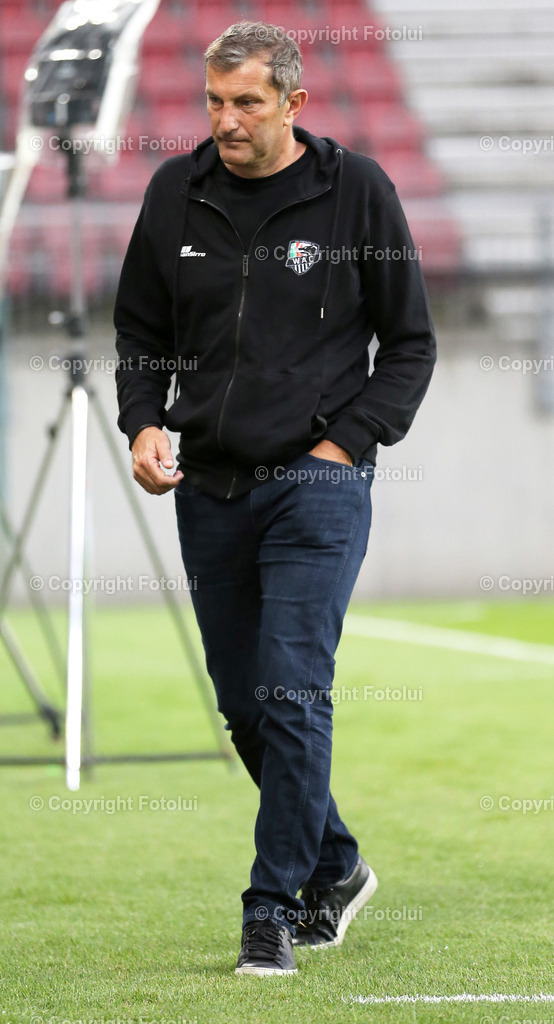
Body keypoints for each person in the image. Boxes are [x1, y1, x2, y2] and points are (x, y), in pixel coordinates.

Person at [114, 21, 436, 976]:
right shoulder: (176, 192)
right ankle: (337, 866)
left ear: (294, 103)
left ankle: (271, 906)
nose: (227, 120)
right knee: (248, 707)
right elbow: (137, 329)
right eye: (215, 101)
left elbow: (410, 343)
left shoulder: (357, 193)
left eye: (247, 102)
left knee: (294, 690)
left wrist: (346, 445)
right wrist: (143, 422)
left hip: (316, 485)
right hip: (208, 485)